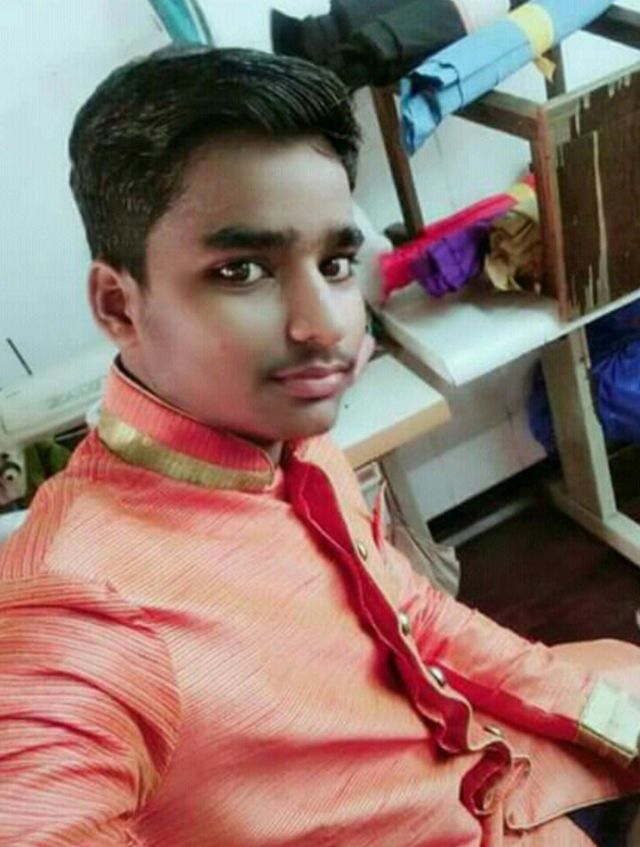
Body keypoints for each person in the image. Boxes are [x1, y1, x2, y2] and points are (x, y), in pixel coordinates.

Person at [0, 45, 638, 846]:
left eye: (333, 262)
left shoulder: (285, 442)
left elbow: (415, 614)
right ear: (118, 306)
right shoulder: (74, 601)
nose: (326, 324)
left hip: (477, 764)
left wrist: (610, 723)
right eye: (242, 270)